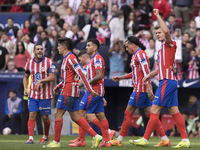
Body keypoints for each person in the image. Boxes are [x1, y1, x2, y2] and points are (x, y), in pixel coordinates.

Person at [131, 9, 190, 148]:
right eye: (156, 33)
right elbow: (159, 69)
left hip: (167, 82)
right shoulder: (161, 49)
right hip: (169, 81)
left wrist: (158, 16)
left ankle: (145, 139)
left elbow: (167, 32)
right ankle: (185, 140)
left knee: (154, 109)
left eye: (159, 32)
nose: (157, 35)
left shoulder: (170, 43)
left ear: (164, 32)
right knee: (173, 111)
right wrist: (148, 76)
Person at [110, 36, 169, 147]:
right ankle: (164, 139)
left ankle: (120, 139)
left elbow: (146, 71)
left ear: (133, 44)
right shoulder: (135, 55)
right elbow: (136, 73)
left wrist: (148, 88)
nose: (126, 49)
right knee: (151, 115)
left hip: (140, 89)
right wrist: (122, 77)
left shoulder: (141, 54)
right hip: (141, 88)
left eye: (127, 47)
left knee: (128, 112)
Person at [43, 37, 102, 148]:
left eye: (59, 45)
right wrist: (59, 85)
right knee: (76, 117)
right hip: (70, 89)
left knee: (58, 114)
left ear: (64, 47)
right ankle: (96, 136)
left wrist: (89, 89)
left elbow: (81, 74)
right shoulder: (67, 58)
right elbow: (69, 77)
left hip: (68, 91)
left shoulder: (70, 58)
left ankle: (56, 142)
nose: (57, 47)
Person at [69, 50, 115, 147]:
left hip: (93, 92)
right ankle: (107, 140)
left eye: (80, 59)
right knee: (100, 115)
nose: (80, 62)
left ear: (84, 58)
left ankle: (81, 140)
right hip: (97, 92)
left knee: (81, 114)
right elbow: (87, 81)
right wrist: (102, 96)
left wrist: (75, 86)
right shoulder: (89, 65)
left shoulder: (91, 64)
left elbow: (88, 81)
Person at [24, 44, 56, 144]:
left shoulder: (50, 62)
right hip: (33, 94)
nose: (40, 51)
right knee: (32, 114)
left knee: (44, 117)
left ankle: (46, 136)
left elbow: (52, 77)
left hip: (45, 95)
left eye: (41, 49)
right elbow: (26, 76)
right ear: (34, 52)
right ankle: (30, 138)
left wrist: (40, 81)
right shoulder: (29, 63)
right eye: (37, 49)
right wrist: (25, 88)